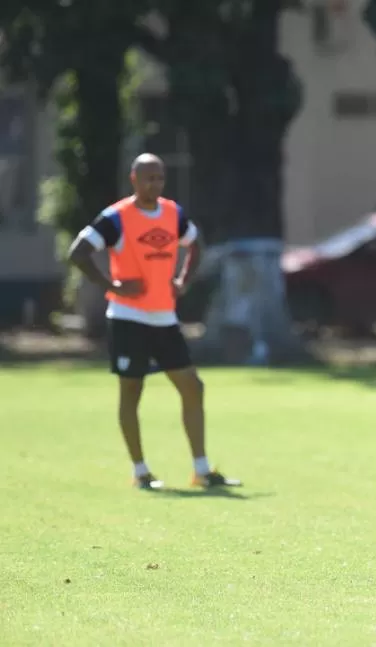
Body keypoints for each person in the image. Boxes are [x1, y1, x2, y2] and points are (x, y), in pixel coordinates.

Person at [67, 153, 242, 491]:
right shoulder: (116, 217)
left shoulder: (172, 213)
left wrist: (183, 281)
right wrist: (111, 285)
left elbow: (196, 244)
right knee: (132, 390)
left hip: (163, 318)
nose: (155, 184)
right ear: (134, 179)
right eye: (148, 178)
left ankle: (202, 471)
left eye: (159, 178)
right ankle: (140, 471)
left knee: (193, 386)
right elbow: (78, 252)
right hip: (127, 317)